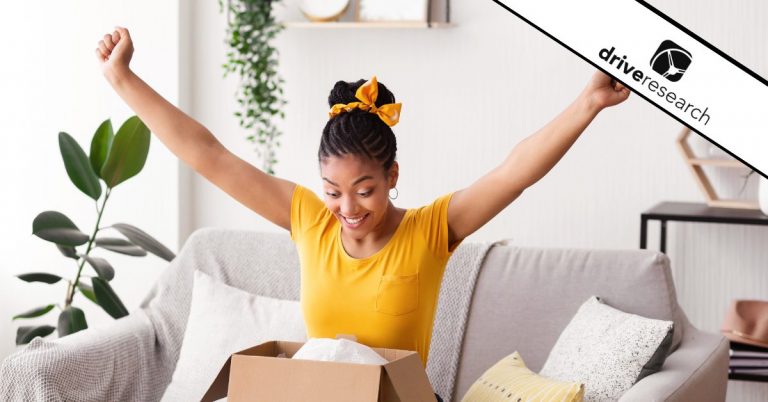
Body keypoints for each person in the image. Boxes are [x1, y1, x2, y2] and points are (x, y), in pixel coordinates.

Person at [96, 26, 630, 400]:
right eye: (332, 190)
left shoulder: (430, 230)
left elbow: (514, 172)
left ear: (393, 177)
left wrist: (588, 103)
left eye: (365, 190)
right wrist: (123, 79)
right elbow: (209, 156)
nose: (347, 209)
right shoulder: (308, 218)